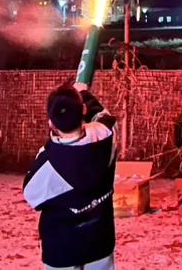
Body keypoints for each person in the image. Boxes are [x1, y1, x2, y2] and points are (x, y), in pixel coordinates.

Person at [23, 80, 117, 270]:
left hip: (62, 250)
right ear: (83, 110)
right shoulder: (106, 135)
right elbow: (103, 116)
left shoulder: (48, 165)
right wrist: (85, 94)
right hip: (100, 242)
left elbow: (32, 197)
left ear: (50, 123)